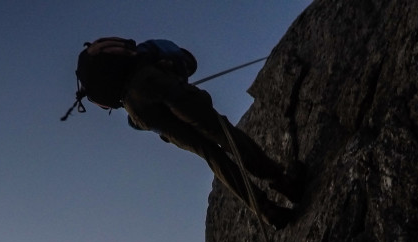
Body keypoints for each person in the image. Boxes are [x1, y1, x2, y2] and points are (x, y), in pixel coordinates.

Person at [65, 38, 304, 229]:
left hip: (136, 108)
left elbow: (136, 122)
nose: (188, 70)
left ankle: (267, 211)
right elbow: (175, 83)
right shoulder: (164, 53)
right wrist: (187, 91)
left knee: (209, 153)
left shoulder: (110, 85)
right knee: (221, 133)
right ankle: (283, 181)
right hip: (149, 81)